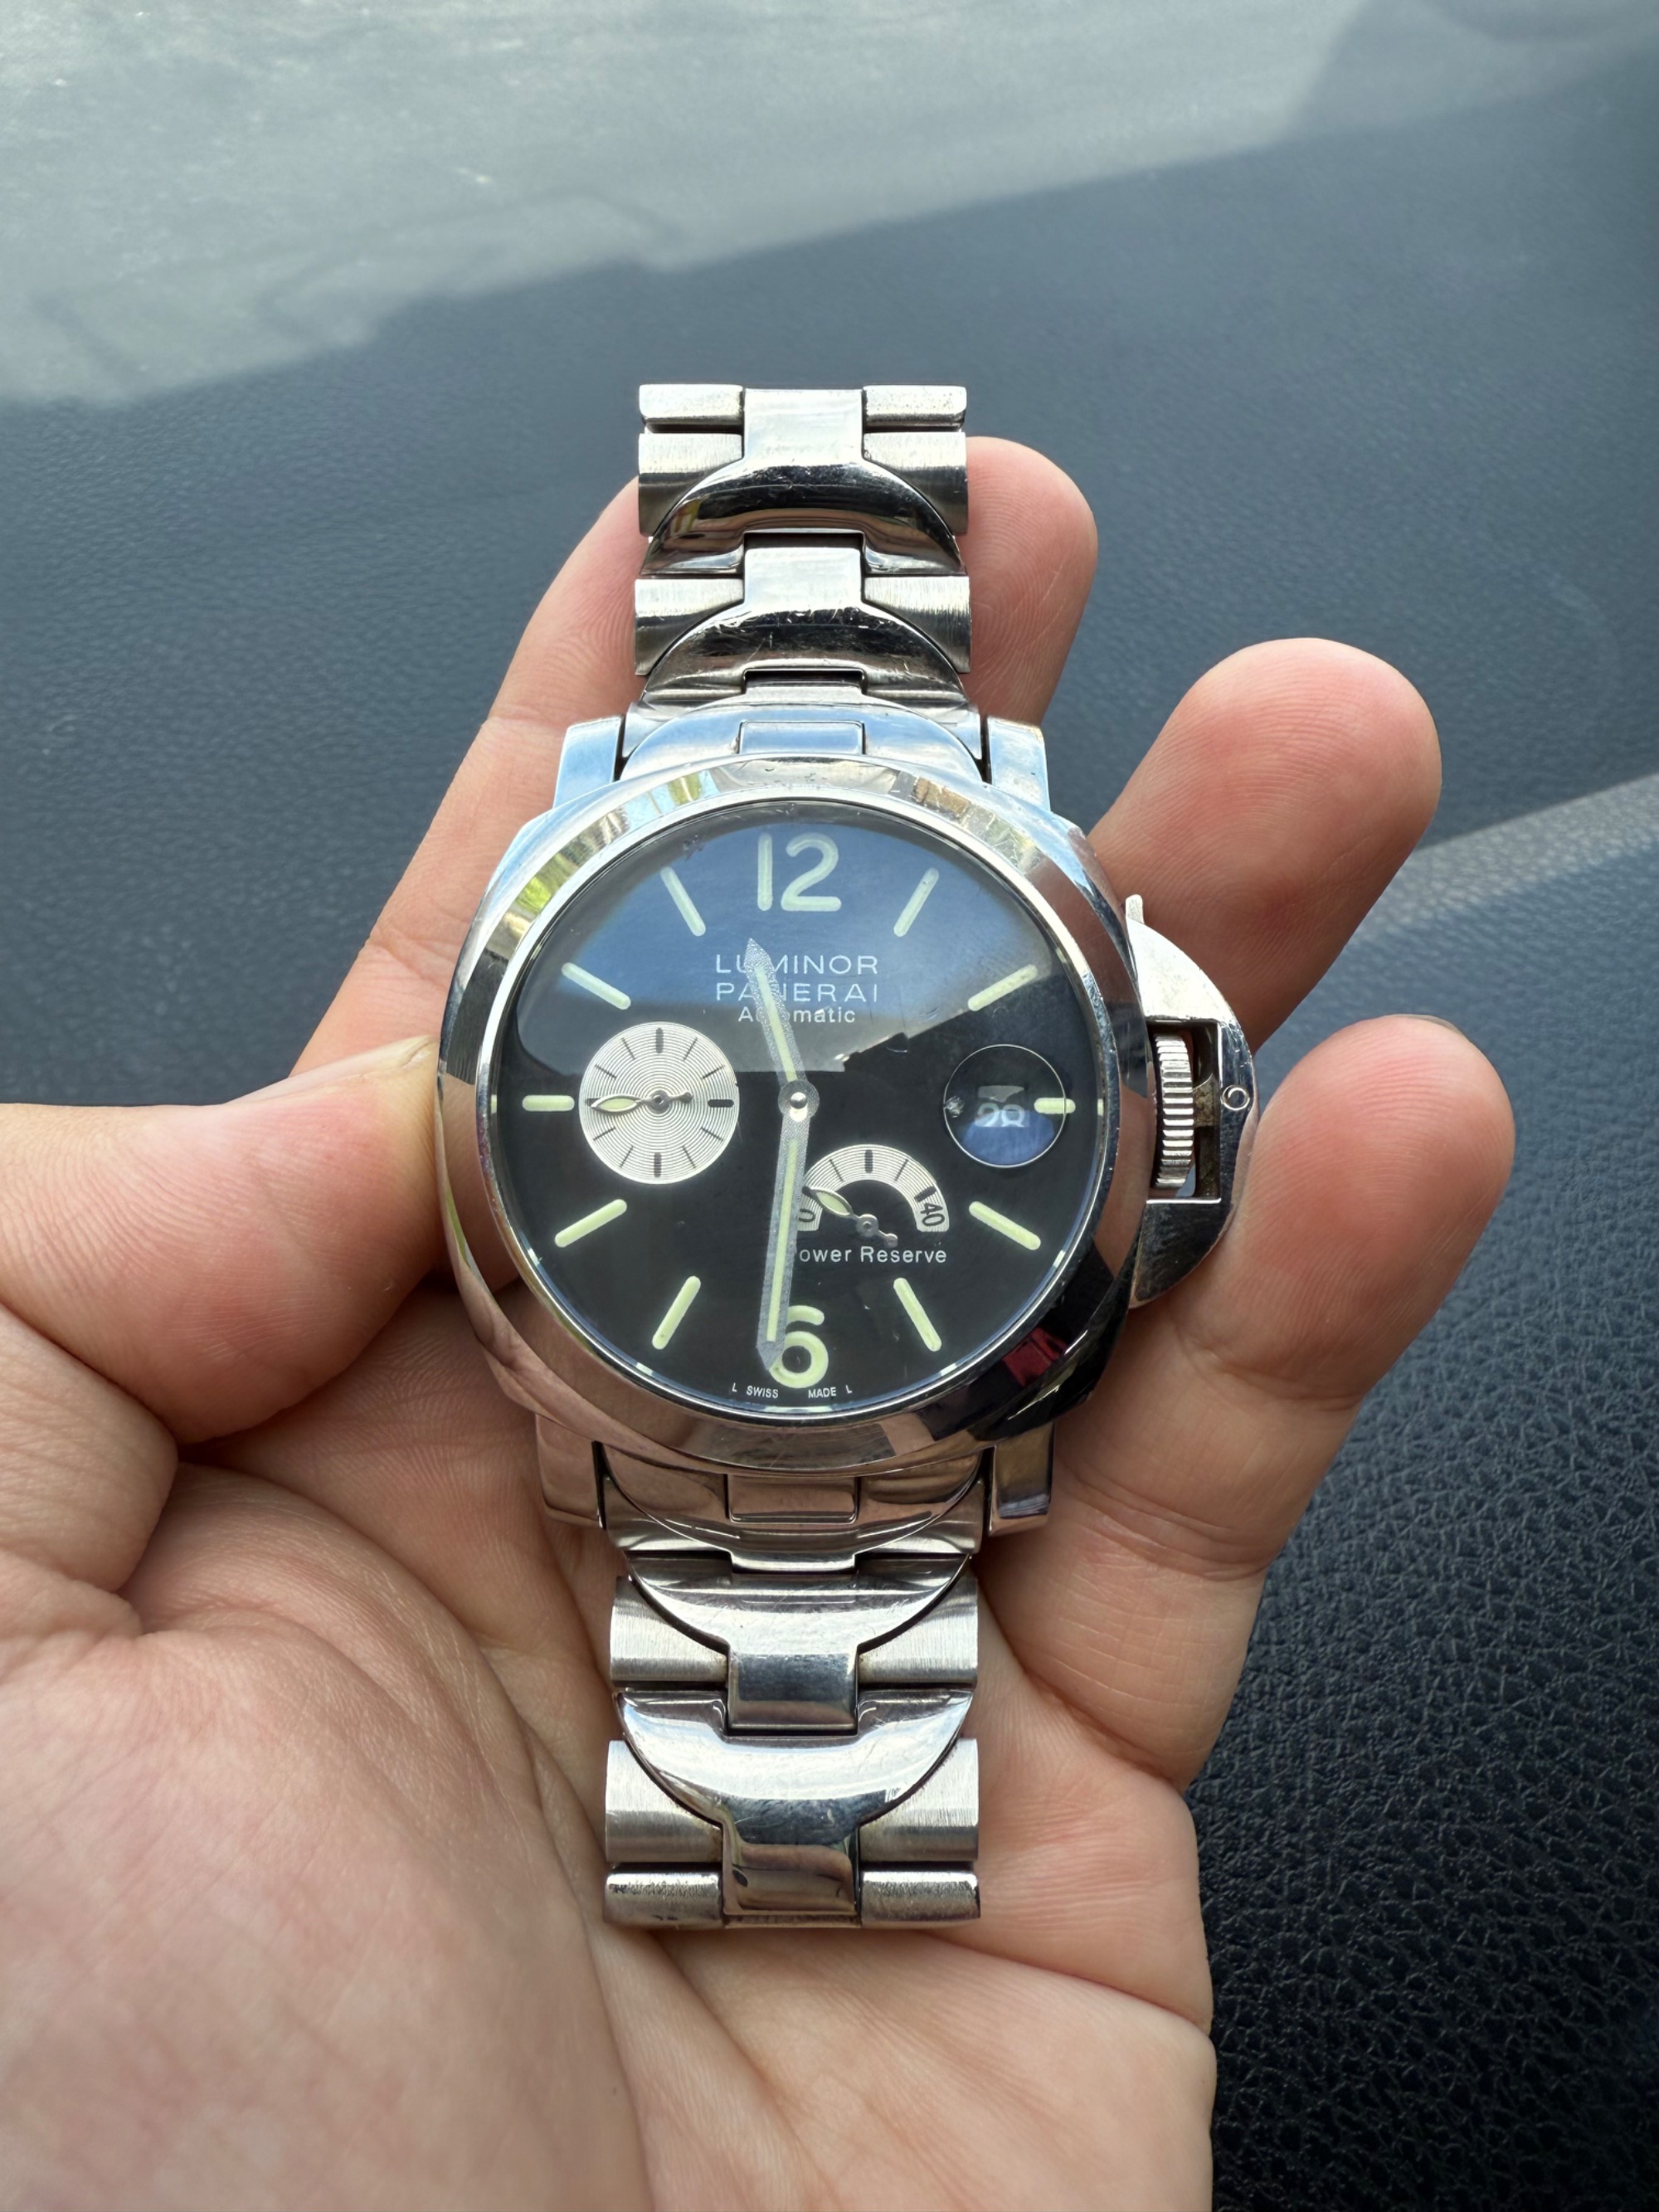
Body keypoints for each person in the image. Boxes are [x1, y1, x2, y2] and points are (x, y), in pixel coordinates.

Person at [0, 442, 1513, 2210]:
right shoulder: (587, 994)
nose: (797, 1091)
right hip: (655, 1410)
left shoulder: (940, 956)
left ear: (1157, 1127)